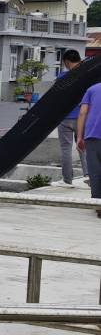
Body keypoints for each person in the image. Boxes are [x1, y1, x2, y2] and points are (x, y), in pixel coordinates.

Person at [56, 49, 83, 186]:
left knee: (66, 149)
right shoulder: (86, 75)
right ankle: (88, 177)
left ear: (66, 62)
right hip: (82, 118)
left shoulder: (61, 77)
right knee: (83, 147)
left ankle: (67, 180)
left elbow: (55, 98)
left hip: (65, 118)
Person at [76, 76, 101, 215]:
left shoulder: (92, 89)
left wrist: (79, 137)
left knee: (95, 173)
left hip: (92, 136)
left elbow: (82, 112)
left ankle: (98, 206)